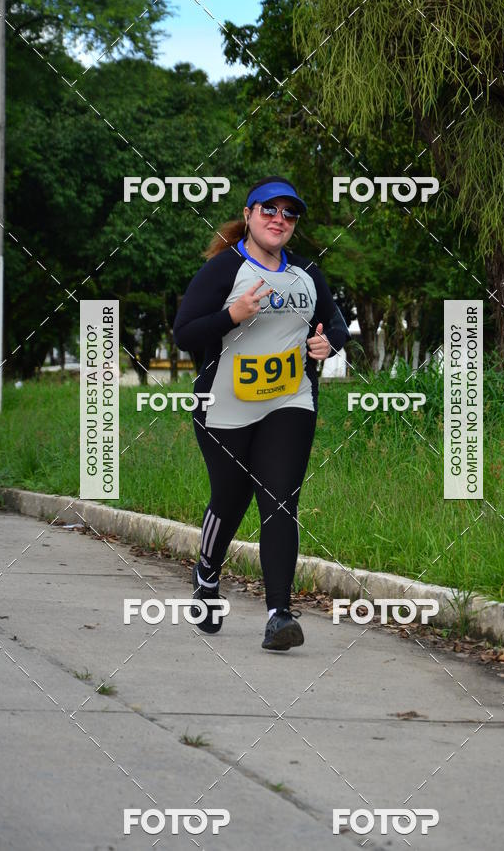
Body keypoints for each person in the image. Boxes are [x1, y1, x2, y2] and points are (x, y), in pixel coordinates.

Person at [173, 175, 350, 651]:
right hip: (224, 405)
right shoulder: (224, 271)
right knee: (230, 500)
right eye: (268, 210)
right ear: (249, 216)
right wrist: (233, 316)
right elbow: (184, 333)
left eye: (289, 213)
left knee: (279, 500)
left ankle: (279, 615)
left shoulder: (307, 275)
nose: (279, 219)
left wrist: (327, 342)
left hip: (289, 401)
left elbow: (335, 323)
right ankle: (207, 577)